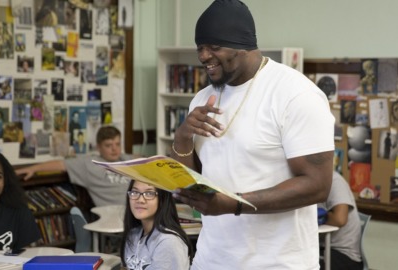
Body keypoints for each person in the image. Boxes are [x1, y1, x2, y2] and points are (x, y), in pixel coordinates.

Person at [170, 1, 335, 269]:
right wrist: (182, 137)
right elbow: (192, 180)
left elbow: (317, 185)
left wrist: (234, 204)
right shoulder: (202, 98)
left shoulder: (295, 94)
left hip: (277, 263)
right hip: (210, 259)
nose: (203, 56)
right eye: (200, 47)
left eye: (214, 47)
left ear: (242, 44)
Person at [16, 126, 136, 207]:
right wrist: (32, 169)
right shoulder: (89, 164)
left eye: (117, 144)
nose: (114, 149)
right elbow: (60, 164)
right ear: (99, 147)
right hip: (113, 217)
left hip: (137, 213)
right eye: (108, 145)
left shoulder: (127, 159)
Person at [120, 180, 193, 269]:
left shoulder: (168, 242)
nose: (140, 200)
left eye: (149, 193)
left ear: (162, 199)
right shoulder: (133, 234)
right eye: (135, 192)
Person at [318, 171, 363, 270]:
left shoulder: (334, 180)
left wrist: (318, 217)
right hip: (321, 247)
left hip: (343, 253)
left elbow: (340, 219)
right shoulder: (307, 183)